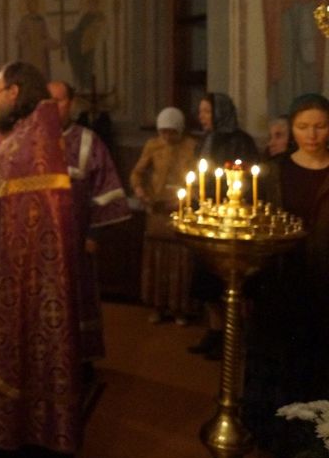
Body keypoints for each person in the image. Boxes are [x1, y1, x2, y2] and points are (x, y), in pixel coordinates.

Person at [0, 61, 81, 458]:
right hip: (40, 271)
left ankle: (15, 444)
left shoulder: (26, 143)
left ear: (14, 92)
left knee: (15, 349)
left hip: (16, 272)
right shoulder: (39, 134)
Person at [243, 93, 329, 458]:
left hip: (324, 284)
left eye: (321, 126)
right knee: (277, 365)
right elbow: (255, 227)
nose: (312, 134)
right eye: (303, 126)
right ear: (292, 129)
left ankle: (313, 449)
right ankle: (271, 442)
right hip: (279, 284)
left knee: (317, 365)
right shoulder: (273, 172)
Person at [48, 80, 130, 369]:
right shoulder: (30, 141)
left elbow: (105, 190)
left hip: (76, 241)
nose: (53, 107)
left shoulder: (87, 141)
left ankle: (80, 363)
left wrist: (94, 233)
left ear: (70, 103)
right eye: (48, 101)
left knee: (78, 299)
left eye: (59, 101)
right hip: (39, 244)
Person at [188, 92, 259, 359]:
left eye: (207, 111)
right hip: (206, 215)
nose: (202, 117)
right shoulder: (205, 139)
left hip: (231, 220)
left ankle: (232, 337)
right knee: (206, 281)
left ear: (220, 112)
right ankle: (215, 331)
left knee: (228, 281)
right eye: (201, 111)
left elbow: (246, 179)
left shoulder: (241, 141)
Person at [131, 107, 198, 325]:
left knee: (180, 260)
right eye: (164, 132)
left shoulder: (192, 146)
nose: (168, 137)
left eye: (172, 132)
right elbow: (137, 173)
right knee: (157, 259)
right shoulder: (153, 145)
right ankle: (157, 306)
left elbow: (198, 180)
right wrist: (140, 191)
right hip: (157, 210)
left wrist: (187, 198)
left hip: (181, 210)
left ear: (180, 130)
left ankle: (180, 308)